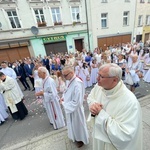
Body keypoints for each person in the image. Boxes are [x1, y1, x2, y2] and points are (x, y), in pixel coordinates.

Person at [87, 63, 142, 150]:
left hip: (112, 145)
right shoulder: (99, 86)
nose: (97, 78)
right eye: (98, 74)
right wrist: (93, 105)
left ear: (115, 80)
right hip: (99, 137)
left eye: (101, 76)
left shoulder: (130, 102)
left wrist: (100, 113)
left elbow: (125, 134)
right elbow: (91, 97)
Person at [60, 65, 89, 148]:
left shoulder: (77, 83)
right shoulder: (70, 80)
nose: (64, 77)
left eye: (65, 75)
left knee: (78, 125)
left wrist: (64, 104)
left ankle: (81, 139)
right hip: (70, 107)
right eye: (63, 75)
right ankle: (75, 136)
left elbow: (77, 101)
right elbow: (67, 91)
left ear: (72, 73)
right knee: (72, 124)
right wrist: (63, 98)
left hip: (76, 110)